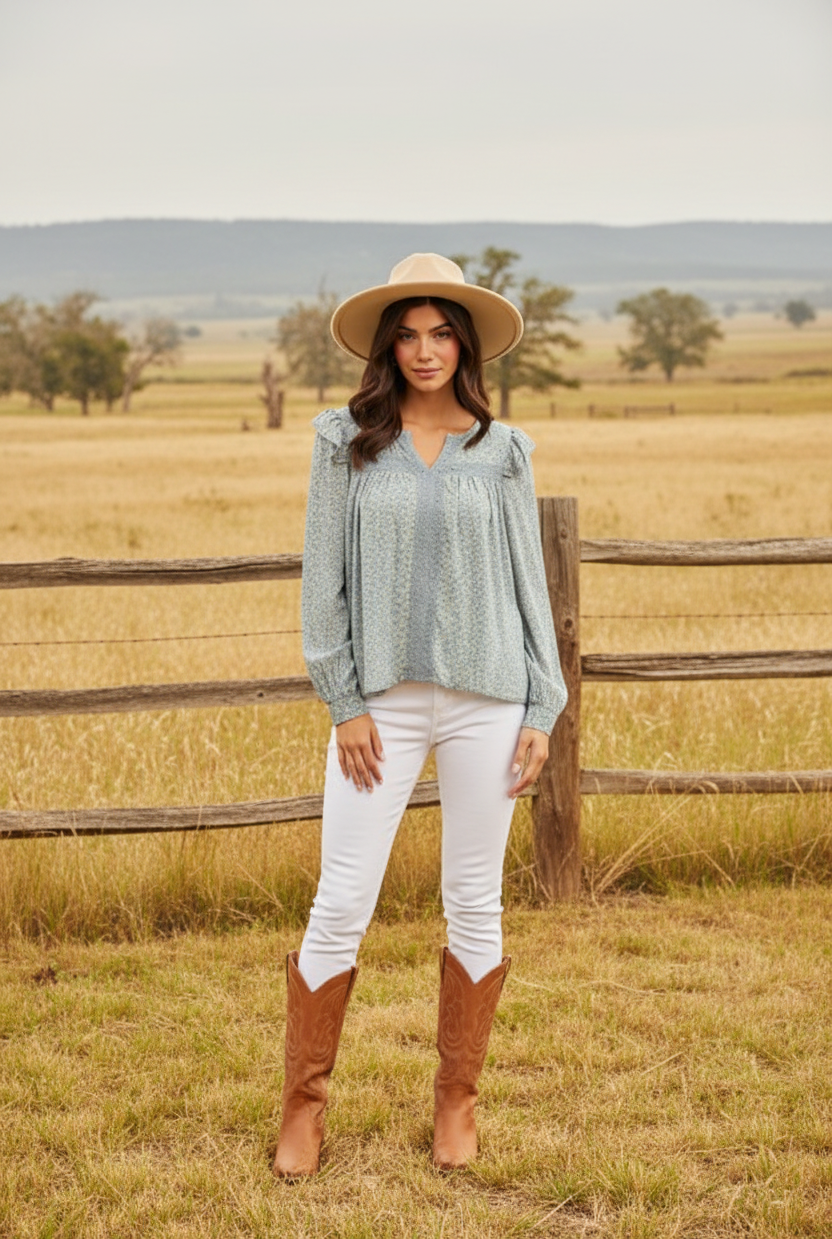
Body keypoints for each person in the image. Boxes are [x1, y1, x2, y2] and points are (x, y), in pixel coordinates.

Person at [273, 253, 567, 1178]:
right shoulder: (345, 442)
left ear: (465, 345)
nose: (426, 350)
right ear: (387, 346)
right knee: (341, 899)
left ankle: (456, 1104)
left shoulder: (503, 451)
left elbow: (529, 585)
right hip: (381, 711)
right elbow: (323, 582)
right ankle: (303, 1107)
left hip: (491, 703)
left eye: (442, 334)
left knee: (475, 900)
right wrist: (344, 701)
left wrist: (543, 705)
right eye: (408, 334)